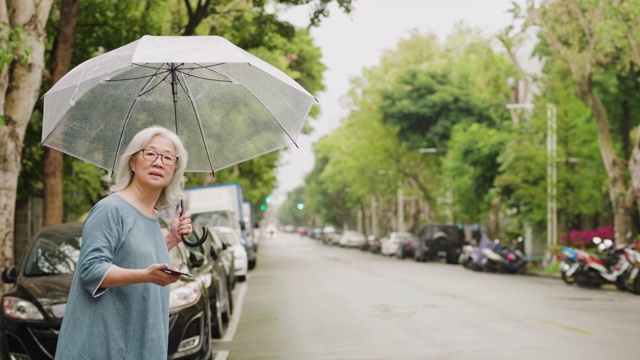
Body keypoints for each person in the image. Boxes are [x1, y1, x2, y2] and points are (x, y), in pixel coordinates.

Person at [55, 126, 193, 360]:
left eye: (168, 158)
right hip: (104, 347)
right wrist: (147, 276)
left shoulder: (152, 218)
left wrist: (170, 240)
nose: (159, 162)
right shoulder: (110, 210)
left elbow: (133, 257)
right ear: (132, 162)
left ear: (175, 170)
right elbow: (91, 270)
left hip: (137, 344)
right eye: (150, 153)